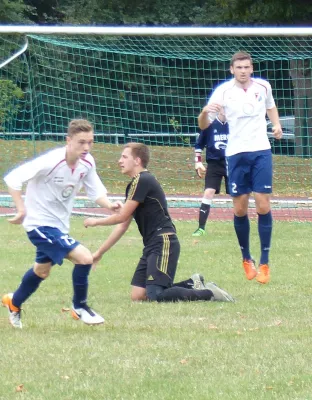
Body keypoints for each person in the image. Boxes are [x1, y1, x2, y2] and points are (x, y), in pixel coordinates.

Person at [2, 119, 122, 328]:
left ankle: (13, 302)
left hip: (59, 226)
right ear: (68, 140)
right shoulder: (50, 161)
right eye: (81, 142)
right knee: (84, 258)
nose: (86, 147)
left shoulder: (87, 163)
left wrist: (109, 205)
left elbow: (95, 191)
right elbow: (13, 179)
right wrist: (21, 209)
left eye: (90, 143)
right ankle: (80, 306)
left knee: (41, 272)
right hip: (39, 225)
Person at [84, 142, 234, 303]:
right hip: (153, 244)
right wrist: (99, 252)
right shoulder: (135, 183)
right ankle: (192, 283)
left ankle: (209, 294)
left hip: (163, 241)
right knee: (138, 296)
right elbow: (123, 224)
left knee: (156, 295)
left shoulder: (142, 180)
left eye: (124, 156)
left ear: (137, 161)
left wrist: (95, 221)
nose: (119, 161)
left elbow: (121, 217)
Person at [198, 51, 283, 284]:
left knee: (263, 204)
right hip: (235, 155)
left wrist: (276, 125)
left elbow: (271, 107)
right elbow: (204, 124)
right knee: (240, 209)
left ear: (251, 68)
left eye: (247, 67)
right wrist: (205, 112)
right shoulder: (222, 92)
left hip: (261, 151)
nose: (243, 71)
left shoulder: (263, 87)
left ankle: (265, 262)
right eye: (239, 67)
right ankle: (247, 258)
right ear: (231, 70)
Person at [193, 113, 229, 237]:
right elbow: (199, 145)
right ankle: (201, 228)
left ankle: (241, 225)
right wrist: (198, 162)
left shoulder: (235, 123)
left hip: (232, 163)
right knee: (208, 192)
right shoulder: (209, 125)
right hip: (214, 164)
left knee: (238, 196)